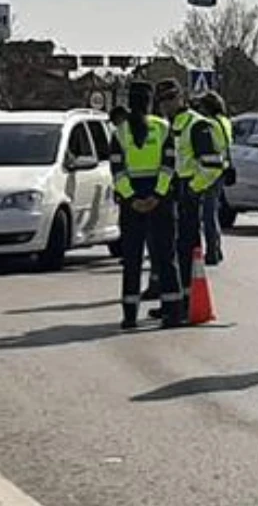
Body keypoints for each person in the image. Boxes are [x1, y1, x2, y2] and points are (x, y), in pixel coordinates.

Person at [108, 81, 183, 329]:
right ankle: (172, 311)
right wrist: (157, 196)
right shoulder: (163, 128)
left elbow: (117, 171)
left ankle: (130, 315)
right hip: (160, 201)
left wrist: (132, 199)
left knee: (132, 259)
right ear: (150, 102)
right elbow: (169, 166)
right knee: (165, 257)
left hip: (132, 204)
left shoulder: (119, 132)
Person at [148, 78, 224, 323]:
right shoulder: (164, 126)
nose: (167, 104)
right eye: (162, 100)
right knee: (165, 252)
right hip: (166, 193)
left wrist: (192, 189)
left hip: (186, 193)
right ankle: (172, 302)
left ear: (182, 97)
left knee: (184, 251)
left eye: (171, 98)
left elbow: (213, 165)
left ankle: (186, 305)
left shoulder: (196, 124)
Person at [197, 90, 233, 265]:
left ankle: (212, 251)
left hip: (211, 169)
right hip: (223, 168)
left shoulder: (209, 124)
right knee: (213, 212)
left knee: (208, 213)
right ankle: (216, 249)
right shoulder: (225, 122)